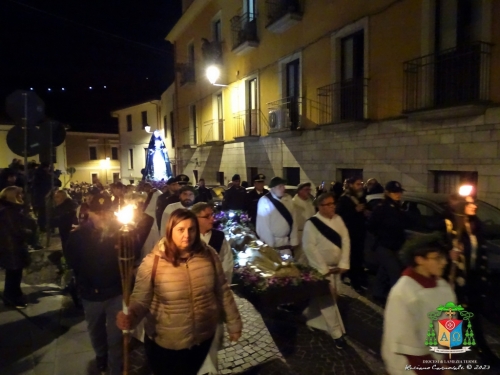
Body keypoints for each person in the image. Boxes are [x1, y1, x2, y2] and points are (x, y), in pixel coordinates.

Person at [116, 209, 243, 375]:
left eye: (191, 229)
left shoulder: (209, 255)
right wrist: (130, 316)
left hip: (202, 339)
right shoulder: (153, 262)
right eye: (181, 230)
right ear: (170, 230)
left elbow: (223, 291)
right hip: (166, 343)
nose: (187, 235)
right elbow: (140, 300)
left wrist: (234, 324)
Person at [65, 194, 137, 375]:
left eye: (106, 212)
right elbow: (73, 261)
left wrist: (130, 238)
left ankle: (115, 368)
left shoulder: (121, 232)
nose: (103, 216)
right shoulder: (78, 236)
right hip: (91, 294)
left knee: (115, 336)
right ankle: (101, 356)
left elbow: (131, 255)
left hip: (115, 293)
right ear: (90, 212)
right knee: (96, 331)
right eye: (98, 212)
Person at [382, 233, 454, 375]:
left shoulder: (444, 288)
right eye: (437, 258)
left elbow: (450, 328)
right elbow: (408, 344)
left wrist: (448, 361)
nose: (444, 262)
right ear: (419, 259)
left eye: (444, 257)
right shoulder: (403, 293)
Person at [446, 195, 500, 366]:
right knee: (452, 317)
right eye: (470, 203)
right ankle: (449, 355)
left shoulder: (476, 225)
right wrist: (450, 254)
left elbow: (479, 252)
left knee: (473, 316)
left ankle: (483, 352)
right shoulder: (451, 226)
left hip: (474, 279)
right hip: (457, 281)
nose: (474, 205)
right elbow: (439, 249)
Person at [302, 193, 350, 349]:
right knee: (328, 300)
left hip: (336, 267)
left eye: (333, 203)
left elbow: (345, 240)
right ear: (320, 206)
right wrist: (323, 269)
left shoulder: (339, 220)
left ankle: (311, 317)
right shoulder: (312, 224)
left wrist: (343, 262)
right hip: (323, 269)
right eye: (328, 204)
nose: (332, 207)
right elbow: (310, 248)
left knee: (331, 298)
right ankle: (337, 333)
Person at [192, 202, 235, 375]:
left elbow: (227, 261)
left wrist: (220, 284)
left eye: (212, 215)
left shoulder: (218, 237)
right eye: (207, 216)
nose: (212, 219)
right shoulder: (188, 238)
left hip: (213, 294)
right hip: (193, 295)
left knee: (213, 334)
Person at [368, 181, 415, 303]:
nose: (398, 194)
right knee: (395, 273)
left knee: (384, 270)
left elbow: (405, 222)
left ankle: (377, 293)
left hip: (395, 245)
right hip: (384, 245)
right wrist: (383, 233)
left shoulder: (399, 207)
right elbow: (371, 225)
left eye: (399, 192)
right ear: (387, 193)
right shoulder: (382, 208)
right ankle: (398, 301)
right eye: (395, 192)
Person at [0, 186, 31, 308]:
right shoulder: (8, 210)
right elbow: (15, 229)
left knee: (14, 273)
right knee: (13, 274)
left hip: (12, 245)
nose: (21, 197)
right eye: (19, 195)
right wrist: (29, 232)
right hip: (11, 247)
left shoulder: (9, 209)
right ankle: (11, 299)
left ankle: (16, 295)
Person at [336, 176, 368, 293]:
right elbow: (340, 216)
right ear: (350, 185)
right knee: (353, 258)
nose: (360, 186)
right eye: (358, 184)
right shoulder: (344, 199)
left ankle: (354, 277)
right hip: (350, 233)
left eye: (361, 184)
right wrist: (355, 211)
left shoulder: (360, 197)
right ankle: (355, 282)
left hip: (360, 232)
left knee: (358, 257)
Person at [256, 176, 299, 258]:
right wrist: (270, 245)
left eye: (283, 186)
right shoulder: (265, 201)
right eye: (280, 187)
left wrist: (294, 240)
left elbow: (294, 221)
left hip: (286, 243)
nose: (283, 189)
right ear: (272, 189)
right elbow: (263, 226)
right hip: (274, 244)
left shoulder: (288, 199)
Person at [292, 182, 315, 263]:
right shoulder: (294, 203)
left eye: (309, 189)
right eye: (306, 190)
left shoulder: (310, 202)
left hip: (311, 233)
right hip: (300, 233)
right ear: (299, 191)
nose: (308, 191)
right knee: (300, 257)